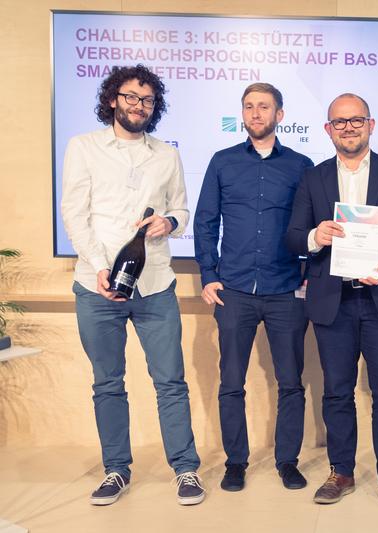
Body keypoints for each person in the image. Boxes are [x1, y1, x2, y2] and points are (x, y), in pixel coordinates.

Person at [61, 64, 204, 506]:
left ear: (153, 106)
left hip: (156, 285)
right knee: (108, 383)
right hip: (95, 285)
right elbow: (74, 214)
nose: (137, 105)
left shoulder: (166, 154)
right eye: (129, 96)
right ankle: (116, 470)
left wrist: (170, 221)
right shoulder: (82, 147)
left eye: (146, 99)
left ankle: (185, 470)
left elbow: (182, 212)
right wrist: (100, 266)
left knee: (171, 382)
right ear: (111, 99)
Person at [285, 93, 378, 515]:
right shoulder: (314, 177)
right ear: (328, 130)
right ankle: (341, 472)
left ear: (371, 124)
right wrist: (316, 236)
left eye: (356, 120)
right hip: (334, 302)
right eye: (339, 122)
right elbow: (293, 236)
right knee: (337, 392)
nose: (348, 128)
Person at [194, 83, 313, 492]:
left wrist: (310, 268)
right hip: (235, 289)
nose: (256, 113)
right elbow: (205, 222)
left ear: (280, 115)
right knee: (231, 382)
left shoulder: (301, 166)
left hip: (286, 289)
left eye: (264, 107)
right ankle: (235, 462)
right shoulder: (222, 162)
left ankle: (287, 460)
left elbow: (313, 225)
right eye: (249, 107)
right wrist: (208, 274)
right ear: (242, 115)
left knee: (291, 381)